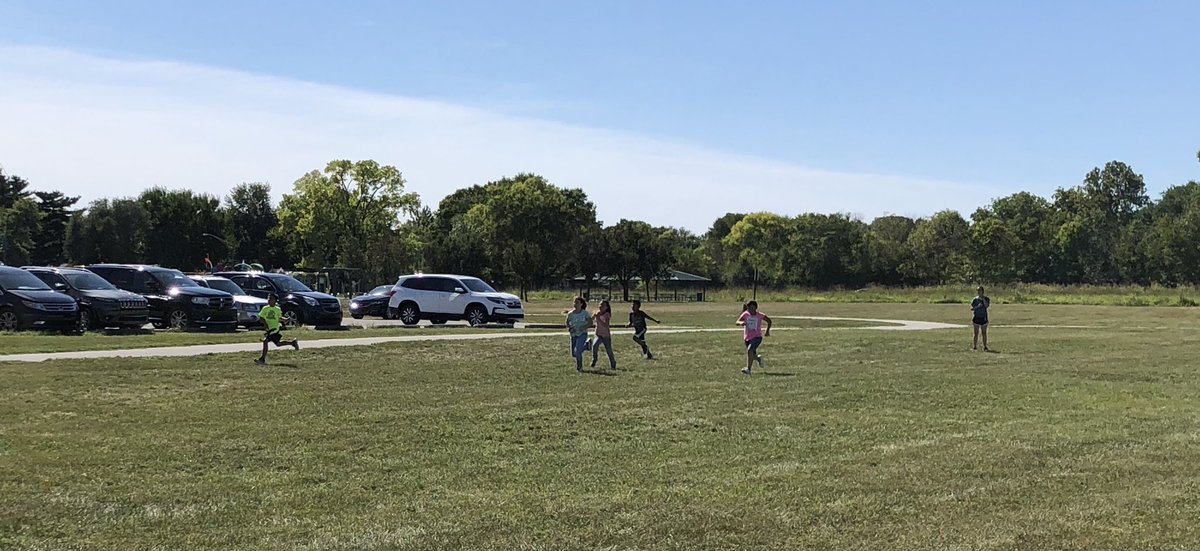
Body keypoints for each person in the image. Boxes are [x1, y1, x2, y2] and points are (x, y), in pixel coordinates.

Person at [256, 294, 299, 365]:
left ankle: (262, 359)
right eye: (268, 299)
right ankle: (292, 343)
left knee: (265, 341)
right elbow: (261, 318)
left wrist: (285, 319)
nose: (269, 300)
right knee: (278, 344)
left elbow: (279, 318)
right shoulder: (265, 308)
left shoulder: (277, 309)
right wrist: (265, 324)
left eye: (271, 299)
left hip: (274, 329)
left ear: (275, 301)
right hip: (269, 329)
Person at [736, 300, 772, 375]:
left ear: (756, 308)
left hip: (757, 337)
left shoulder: (760, 315)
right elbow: (737, 321)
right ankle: (759, 359)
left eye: (753, 308)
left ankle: (748, 369)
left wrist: (767, 331)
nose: (751, 310)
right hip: (747, 338)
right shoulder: (745, 314)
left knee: (750, 350)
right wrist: (741, 323)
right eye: (749, 308)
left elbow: (769, 321)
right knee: (752, 354)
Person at [565, 297, 592, 373]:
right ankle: (587, 345)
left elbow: (590, 322)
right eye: (574, 302)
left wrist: (584, 327)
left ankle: (579, 368)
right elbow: (567, 322)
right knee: (574, 354)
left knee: (578, 351)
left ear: (581, 304)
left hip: (582, 334)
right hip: (573, 334)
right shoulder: (571, 314)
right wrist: (570, 328)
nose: (575, 304)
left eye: (577, 303)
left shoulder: (584, 313)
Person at [590, 300, 617, 370]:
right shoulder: (597, 312)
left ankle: (613, 363)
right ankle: (594, 359)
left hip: (605, 335)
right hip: (598, 334)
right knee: (594, 345)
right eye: (600, 305)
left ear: (606, 307)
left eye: (603, 305)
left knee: (609, 350)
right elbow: (591, 320)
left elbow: (606, 325)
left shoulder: (607, 314)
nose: (601, 307)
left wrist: (598, 318)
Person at [971, 286, 991, 351]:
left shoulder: (986, 298)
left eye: (980, 291)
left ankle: (985, 346)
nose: (978, 292)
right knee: (976, 333)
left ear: (983, 291)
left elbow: (986, 306)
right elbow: (972, 308)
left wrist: (983, 299)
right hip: (976, 317)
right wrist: (977, 307)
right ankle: (974, 346)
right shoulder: (975, 299)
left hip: (983, 317)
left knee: (984, 333)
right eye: (977, 291)